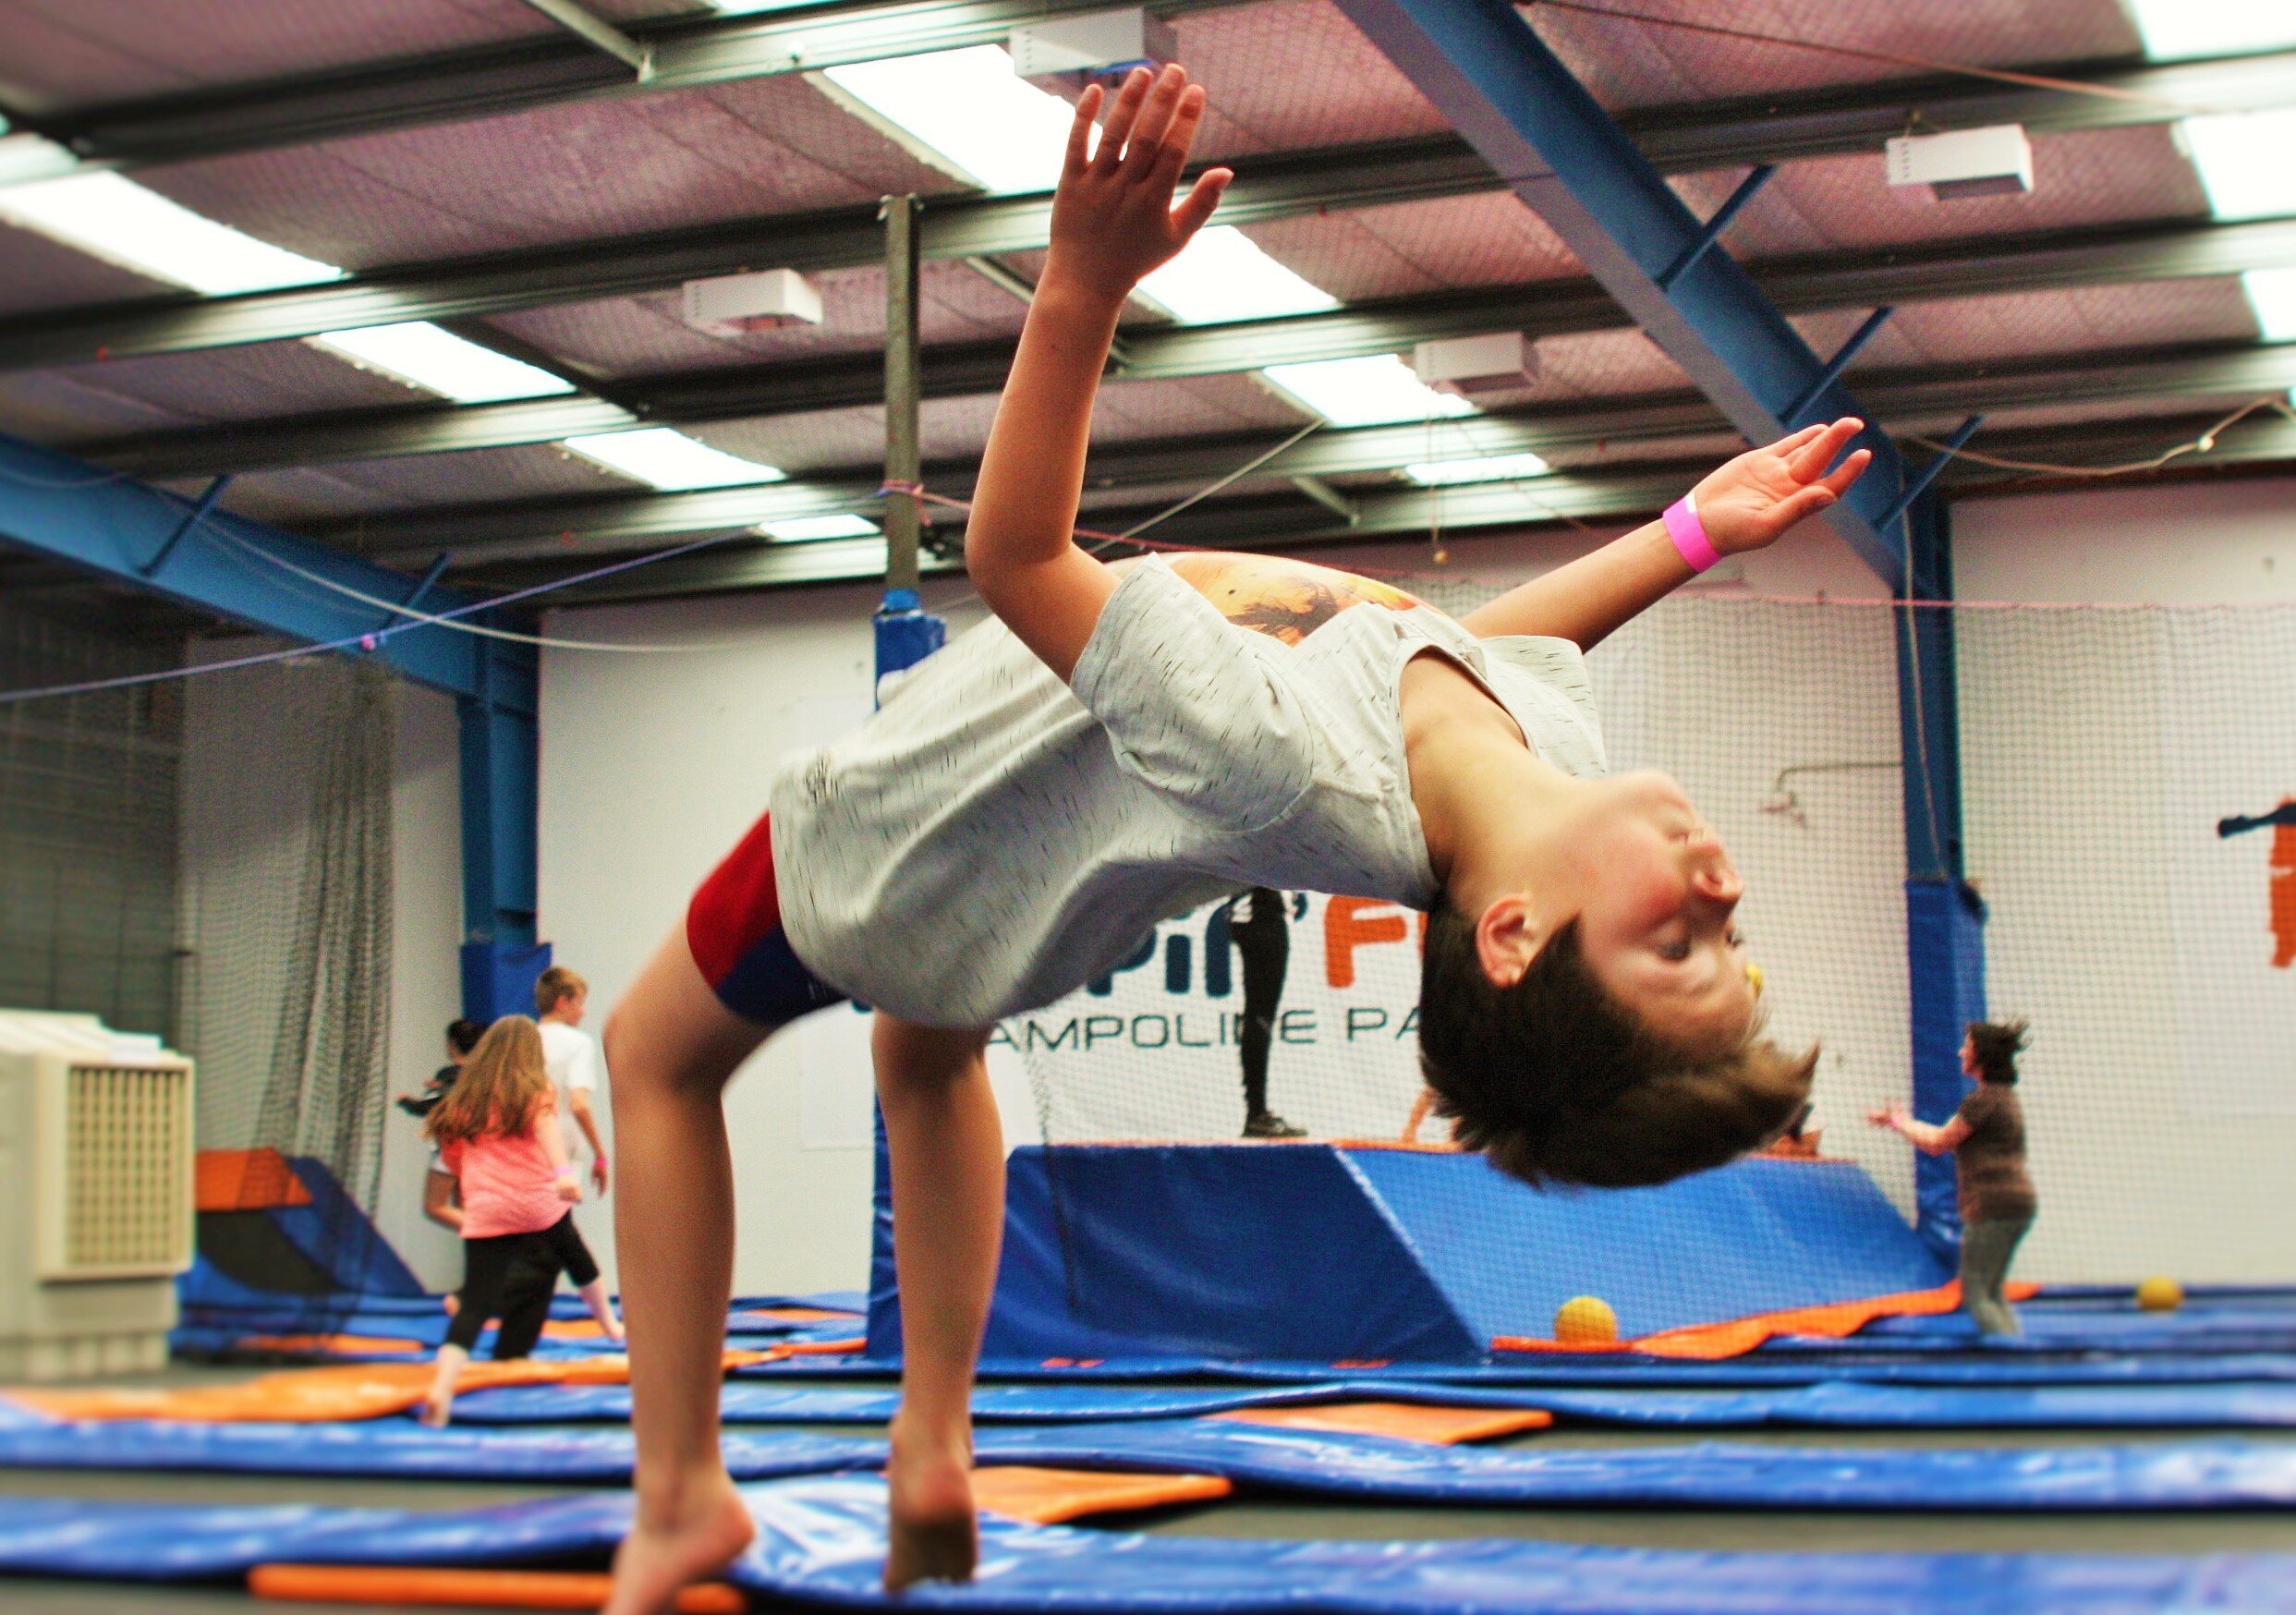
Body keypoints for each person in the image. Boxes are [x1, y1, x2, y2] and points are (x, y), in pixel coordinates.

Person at [603, 64, 1855, 1611]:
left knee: (653, 1056)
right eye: (1737, 932)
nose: (1725, 887)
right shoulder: (1540, 761)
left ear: (1519, 933)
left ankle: (678, 1500)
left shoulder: (1278, 769)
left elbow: (1011, 551)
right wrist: (1689, 531)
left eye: (1681, 939)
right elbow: (1474, 647)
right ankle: (931, 1437)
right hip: (1029, 884)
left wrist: (1077, 289)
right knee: (925, 1055)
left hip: (916, 831)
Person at [419, 1016, 624, 1427]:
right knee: (576, 1256)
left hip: (487, 1209)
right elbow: (546, 1127)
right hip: (538, 1204)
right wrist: (564, 1176)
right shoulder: (534, 1091)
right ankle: (611, 1327)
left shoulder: (463, 1103)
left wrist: (475, 1183)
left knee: (474, 1304)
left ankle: (441, 1389)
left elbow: (455, 1158)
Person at [1868, 1019, 2036, 1337]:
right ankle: (2014, 1347)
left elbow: (1937, 1143)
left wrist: (1897, 1122)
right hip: (2015, 1204)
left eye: (1967, 1047)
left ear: (1981, 1056)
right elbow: (1940, 1139)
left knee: (1976, 1295)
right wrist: (1900, 1121)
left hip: (1994, 1206)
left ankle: (2010, 1358)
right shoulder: (2003, 1097)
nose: (1961, 1053)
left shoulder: (1983, 1101)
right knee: (1991, 1292)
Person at [1225, 888, 1305, 1138]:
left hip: (1260, 915)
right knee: (1259, 1017)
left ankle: (1257, 1112)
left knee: (1260, 1016)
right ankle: (1256, 1113)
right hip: (1260, 915)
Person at [398, 1019, 484, 1234]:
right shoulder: (483, 1076)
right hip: (477, 1149)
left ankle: (491, 1234)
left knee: (435, 1207)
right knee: (464, 1209)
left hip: (452, 1148)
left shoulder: (449, 1074)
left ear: (451, 1044)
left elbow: (433, 1104)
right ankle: (487, 1247)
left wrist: (408, 1102)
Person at [537, 966, 611, 1196]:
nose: (583, 1011)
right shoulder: (578, 1043)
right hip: (562, 1149)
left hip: (528, 1149)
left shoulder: (526, 1039)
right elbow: (578, 1104)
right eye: (579, 1003)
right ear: (562, 1003)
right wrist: (600, 1154)